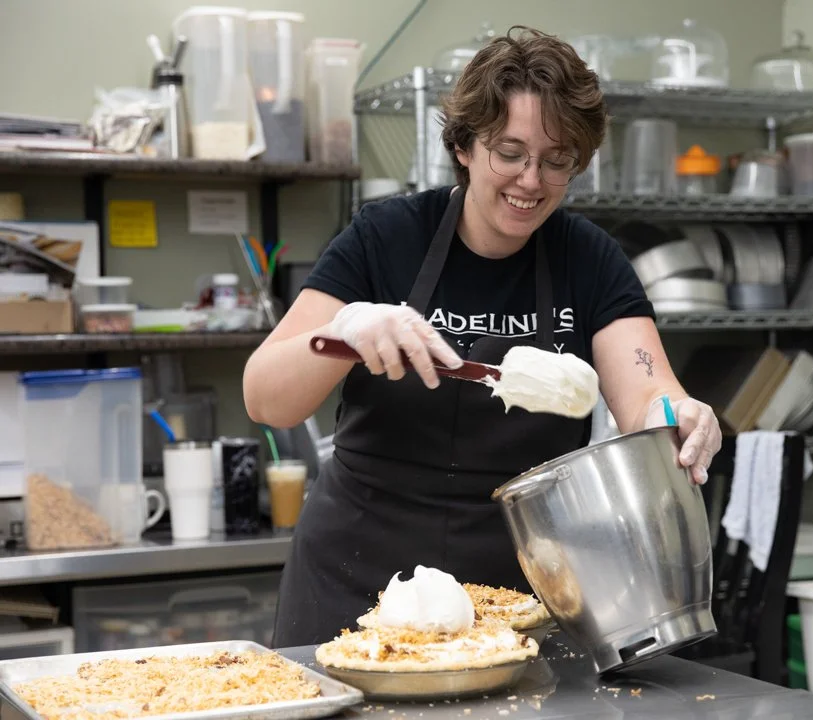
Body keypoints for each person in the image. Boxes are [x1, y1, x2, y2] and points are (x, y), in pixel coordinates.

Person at [243, 26, 723, 648]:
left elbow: (648, 397)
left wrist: (678, 416)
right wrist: (343, 331)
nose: (532, 180)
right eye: (510, 152)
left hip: (513, 597)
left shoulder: (589, 259)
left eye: (557, 160)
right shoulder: (385, 238)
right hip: (355, 583)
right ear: (465, 145)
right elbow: (265, 398)